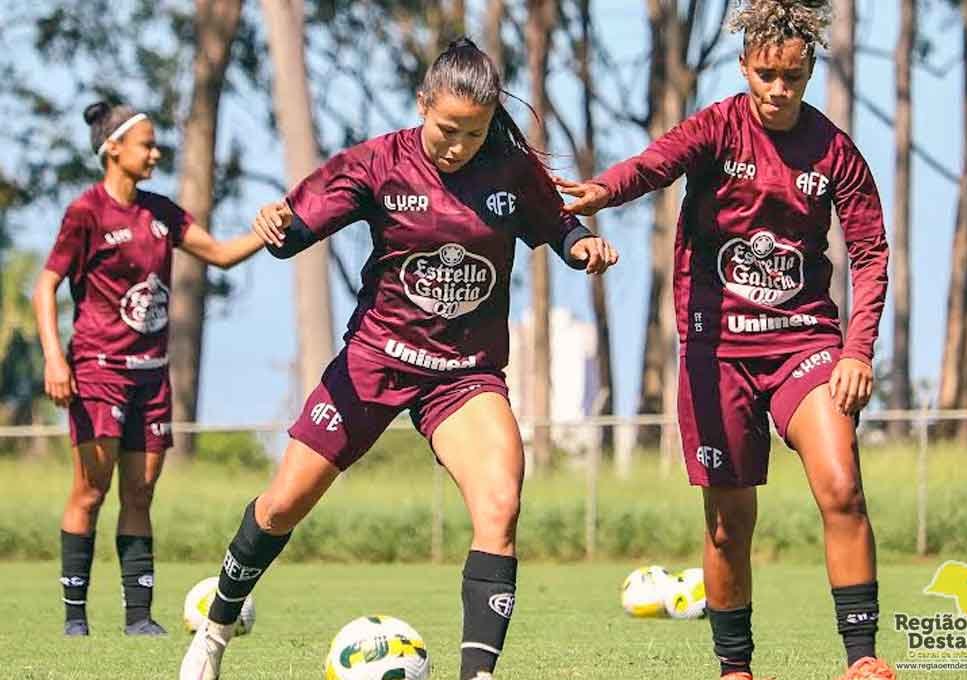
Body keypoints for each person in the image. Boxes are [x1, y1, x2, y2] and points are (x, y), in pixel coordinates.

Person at [179, 38, 618, 680]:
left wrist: (583, 248)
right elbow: (294, 228)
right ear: (422, 105)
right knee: (280, 507)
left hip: (464, 376)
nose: (457, 145)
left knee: (500, 504)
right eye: (446, 129)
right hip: (374, 362)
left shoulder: (509, 169)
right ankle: (214, 633)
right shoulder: (378, 163)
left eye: (473, 132)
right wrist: (277, 223)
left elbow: (558, 224)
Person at [554, 1, 893, 678]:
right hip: (719, 353)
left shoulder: (833, 152)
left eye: (792, 77)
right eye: (766, 74)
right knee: (727, 521)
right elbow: (653, 165)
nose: (777, 89)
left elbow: (870, 251)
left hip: (807, 346)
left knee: (842, 487)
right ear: (744, 68)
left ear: (809, 72)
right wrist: (599, 192)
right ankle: (735, 668)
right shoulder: (717, 129)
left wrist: (857, 349)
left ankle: (862, 661)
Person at [34, 101, 266, 637]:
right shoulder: (85, 213)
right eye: (147, 144)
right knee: (90, 492)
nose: (156, 152)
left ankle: (139, 618)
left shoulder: (161, 212)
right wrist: (54, 357)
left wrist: (275, 226)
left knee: (140, 495)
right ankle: (76, 619)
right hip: (97, 370)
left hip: (151, 376)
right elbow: (45, 286)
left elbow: (223, 254)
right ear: (113, 149)